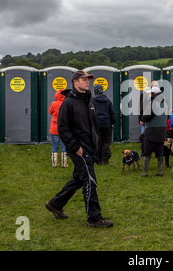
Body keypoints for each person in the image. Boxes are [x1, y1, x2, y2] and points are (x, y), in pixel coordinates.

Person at [45, 70, 113, 227]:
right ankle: (94, 218)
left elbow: (92, 125)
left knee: (79, 179)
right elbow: (63, 128)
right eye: (83, 79)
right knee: (90, 181)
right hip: (79, 149)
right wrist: (76, 147)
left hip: (89, 147)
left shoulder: (89, 100)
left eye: (88, 79)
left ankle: (55, 204)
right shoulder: (68, 103)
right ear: (75, 82)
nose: (87, 81)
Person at [141, 86, 167, 177]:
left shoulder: (152, 103)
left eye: (151, 93)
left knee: (147, 152)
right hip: (162, 131)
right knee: (160, 152)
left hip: (152, 130)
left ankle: (145, 172)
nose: (150, 94)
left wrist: (143, 118)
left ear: (155, 94)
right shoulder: (165, 103)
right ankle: (160, 172)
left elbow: (146, 116)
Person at [92, 84, 116, 165]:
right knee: (106, 142)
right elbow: (112, 113)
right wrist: (112, 122)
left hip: (97, 124)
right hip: (107, 124)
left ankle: (97, 159)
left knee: (98, 141)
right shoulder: (108, 101)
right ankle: (105, 158)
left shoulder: (92, 101)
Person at [49, 89, 67, 168]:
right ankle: (64, 163)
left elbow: (50, 112)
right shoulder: (66, 103)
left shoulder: (53, 104)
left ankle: (54, 163)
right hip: (64, 128)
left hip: (54, 128)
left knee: (54, 146)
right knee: (64, 146)